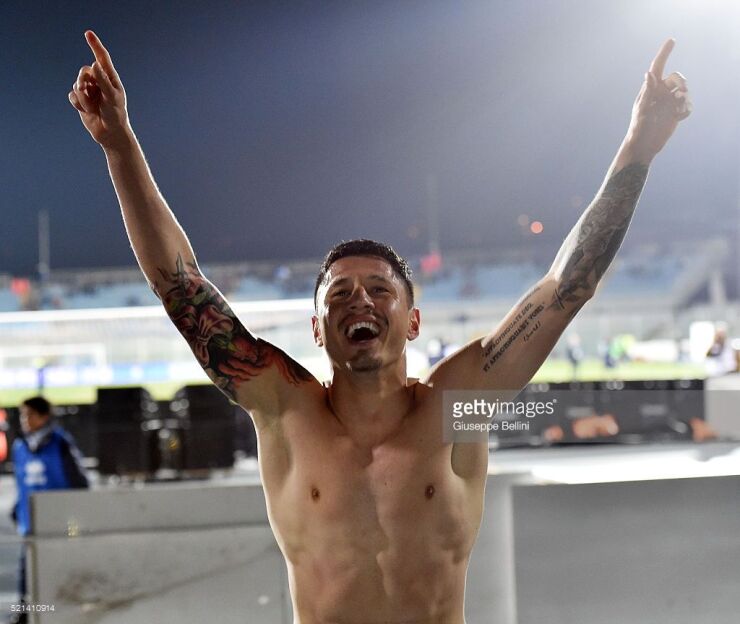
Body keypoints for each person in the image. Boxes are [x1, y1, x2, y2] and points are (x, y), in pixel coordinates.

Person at [69, 31, 690, 624]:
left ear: (412, 320)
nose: (359, 300)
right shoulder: (285, 410)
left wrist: (639, 146)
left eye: (379, 290)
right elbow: (180, 287)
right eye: (339, 294)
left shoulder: (457, 406)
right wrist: (120, 148)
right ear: (318, 329)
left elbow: (567, 287)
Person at [9, 397, 89, 623]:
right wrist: (17, 512)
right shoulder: (20, 447)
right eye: (23, 415)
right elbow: (22, 485)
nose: (25, 420)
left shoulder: (61, 443)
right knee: (28, 571)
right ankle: (25, 614)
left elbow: (80, 483)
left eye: (30, 415)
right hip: (31, 522)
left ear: (44, 417)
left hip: (60, 522)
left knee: (61, 569)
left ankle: (67, 611)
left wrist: (74, 520)